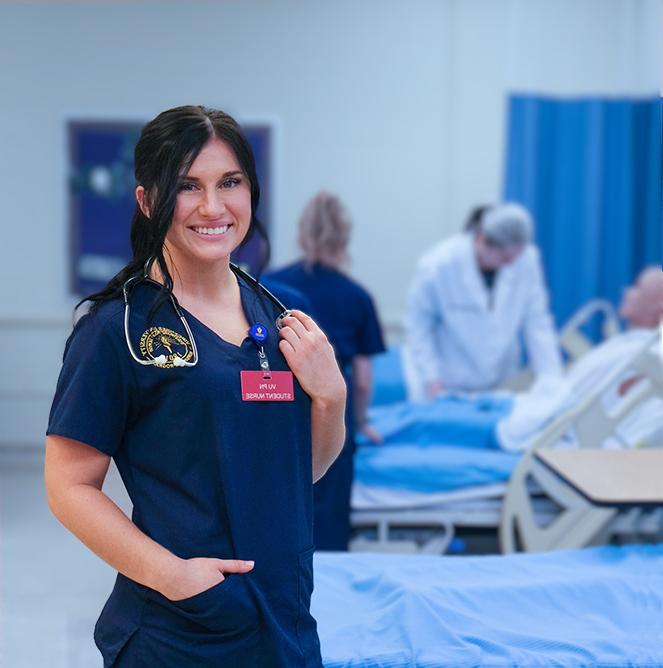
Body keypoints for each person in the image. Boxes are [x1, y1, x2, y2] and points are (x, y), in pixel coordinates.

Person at [44, 106, 346, 667]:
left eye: (229, 182)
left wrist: (331, 396)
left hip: (284, 618)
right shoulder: (117, 330)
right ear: (147, 201)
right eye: (187, 187)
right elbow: (69, 487)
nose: (213, 207)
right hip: (178, 630)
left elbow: (301, 470)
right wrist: (173, 576)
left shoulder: (277, 317)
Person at [266, 191, 386, 551]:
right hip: (333, 418)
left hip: (277, 411)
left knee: (275, 521)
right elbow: (362, 382)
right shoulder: (357, 297)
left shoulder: (267, 287)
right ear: (344, 237)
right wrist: (361, 423)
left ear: (302, 233)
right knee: (328, 533)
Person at [403, 203, 562, 401]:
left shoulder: (527, 260)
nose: (510, 264)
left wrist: (552, 381)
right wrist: (431, 379)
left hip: (500, 379)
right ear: (481, 239)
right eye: (504, 257)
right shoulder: (438, 265)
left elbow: (537, 323)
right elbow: (419, 328)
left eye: (515, 257)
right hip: (446, 381)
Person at [497, 265, 663, 451]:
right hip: (543, 413)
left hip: (557, 433)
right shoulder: (628, 345)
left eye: (637, 288)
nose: (627, 291)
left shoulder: (646, 357)